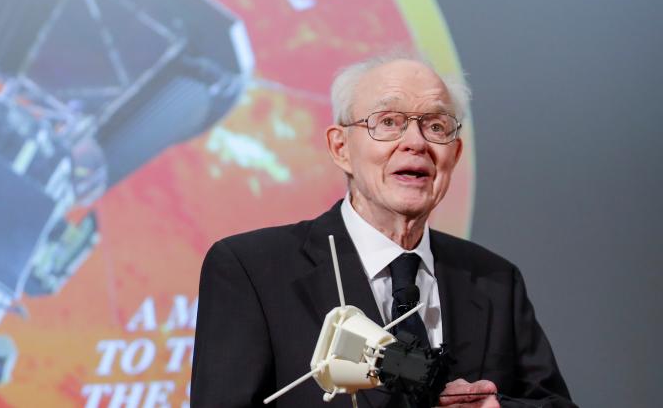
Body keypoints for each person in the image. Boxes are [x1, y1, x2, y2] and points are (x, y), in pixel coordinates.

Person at [190, 54, 575, 408]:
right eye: (388, 122)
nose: (416, 143)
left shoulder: (494, 280)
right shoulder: (252, 270)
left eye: (436, 126)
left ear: (454, 156)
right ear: (340, 148)